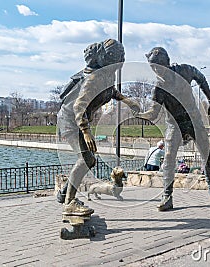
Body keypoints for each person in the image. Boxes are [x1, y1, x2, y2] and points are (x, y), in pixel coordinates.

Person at [56, 39, 140, 216]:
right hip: (72, 120)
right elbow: (79, 107)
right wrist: (86, 132)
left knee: (89, 160)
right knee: (86, 159)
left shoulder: (108, 74)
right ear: (106, 58)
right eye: (117, 56)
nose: (121, 60)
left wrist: (128, 101)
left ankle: (65, 193)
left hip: (80, 120)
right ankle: (69, 203)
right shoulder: (93, 78)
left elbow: (110, 92)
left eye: (122, 56)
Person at [138, 47, 210, 211]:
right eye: (152, 68)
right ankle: (167, 196)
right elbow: (154, 113)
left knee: (207, 154)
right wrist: (141, 114)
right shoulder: (158, 88)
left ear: (166, 64)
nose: (155, 71)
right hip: (174, 124)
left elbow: (201, 78)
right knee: (169, 159)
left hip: (194, 120)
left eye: (157, 67)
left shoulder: (184, 70)